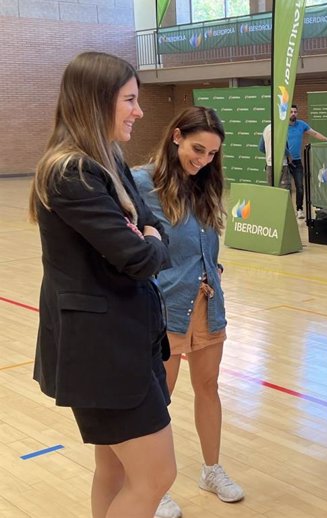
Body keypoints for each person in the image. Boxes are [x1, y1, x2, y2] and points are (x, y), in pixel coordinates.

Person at [29, 51, 176, 518]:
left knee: (114, 471)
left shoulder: (107, 157)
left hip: (129, 342)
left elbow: (154, 225)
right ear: (96, 102)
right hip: (102, 353)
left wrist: (148, 235)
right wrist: (148, 237)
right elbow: (139, 256)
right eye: (130, 100)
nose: (140, 111)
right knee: (156, 476)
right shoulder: (70, 172)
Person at [133, 106, 244, 518]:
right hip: (164, 308)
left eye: (213, 154)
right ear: (176, 135)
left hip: (208, 305)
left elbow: (205, 243)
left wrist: (210, 265)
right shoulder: (141, 183)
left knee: (208, 387)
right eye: (198, 149)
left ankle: (211, 471)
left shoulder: (207, 184)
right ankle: (156, 486)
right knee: (160, 398)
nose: (204, 160)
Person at [287, 104, 327, 219]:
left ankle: (299, 210)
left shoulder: (301, 125)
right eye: (291, 112)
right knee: (285, 188)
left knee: (300, 186)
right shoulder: (282, 127)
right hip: (284, 161)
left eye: (295, 112)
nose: (293, 113)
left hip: (297, 162)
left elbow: (314, 133)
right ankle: (285, 212)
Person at [259, 123, 291, 190]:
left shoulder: (266, 128)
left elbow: (261, 148)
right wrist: (290, 155)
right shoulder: (281, 128)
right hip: (282, 164)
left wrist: (270, 153)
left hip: (270, 165)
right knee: (284, 191)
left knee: (272, 191)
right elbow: (283, 147)